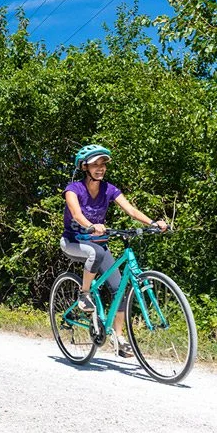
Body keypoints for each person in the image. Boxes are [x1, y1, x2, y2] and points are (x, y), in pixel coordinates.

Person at [60, 144, 168, 357]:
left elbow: (130, 209)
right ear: (84, 167)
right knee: (96, 254)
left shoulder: (109, 189)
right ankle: (84, 294)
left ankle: (119, 339)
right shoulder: (73, 189)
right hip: (73, 242)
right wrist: (90, 224)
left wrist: (153, 222)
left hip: (98, 243)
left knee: (119, 288)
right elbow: (75, 213)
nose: (100, 168)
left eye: (103, 165)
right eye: (95, 164)